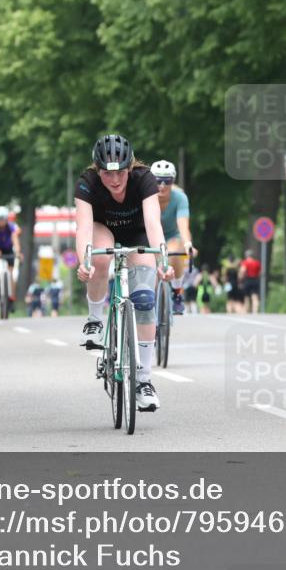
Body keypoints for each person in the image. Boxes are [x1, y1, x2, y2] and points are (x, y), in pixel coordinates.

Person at [75, 133, 173, 413]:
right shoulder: (87, 182)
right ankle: (94, 320)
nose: (114, 181)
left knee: (143, 298)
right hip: (102, 228)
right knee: (99, 258)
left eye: (120, 174)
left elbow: (153, 223)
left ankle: (143, 381)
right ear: (98, 171)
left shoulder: (144, 179)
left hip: (138, 232)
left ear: (130, 168)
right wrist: (85, 260)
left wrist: (163, 260)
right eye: (107, 174)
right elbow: (83, 226)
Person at [151, 160, 198, 315]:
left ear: (173, 181)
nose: (162, 185)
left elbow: (183, 225)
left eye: (167, 181)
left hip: (172, 236)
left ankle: (177, 292)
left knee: (174, 253)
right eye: (158, 181)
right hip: (150, 236)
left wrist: (188, 244)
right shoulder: (145, 197)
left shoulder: (180, 198)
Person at [0, 207, 21, 306]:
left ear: (6, 219)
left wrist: (18, 252)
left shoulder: (11, 227)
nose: (1, 222)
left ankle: (11, 298)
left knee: (11, 275)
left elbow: (15, 240)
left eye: (3, 219)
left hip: (8, 249)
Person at [239, 249, 262, 313]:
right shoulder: (257, 263)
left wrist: (240, 280)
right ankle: (255, 311)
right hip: (255, 280)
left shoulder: (245, 262)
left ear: (246, 256)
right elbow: (260, 273)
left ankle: (247, 310)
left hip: (248, 280)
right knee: (255, 296)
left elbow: (242, 271)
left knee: (246, 296)